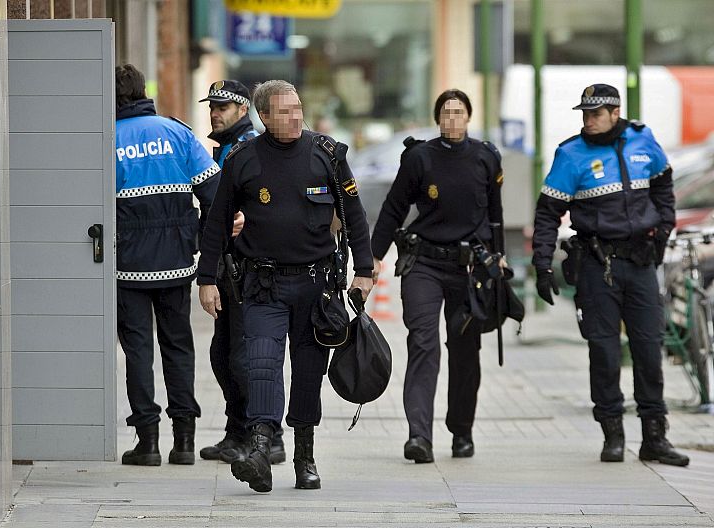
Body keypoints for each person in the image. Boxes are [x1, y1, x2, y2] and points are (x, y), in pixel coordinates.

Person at [198, 80, 374, 492]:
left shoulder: (327, 155)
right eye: (285, 111)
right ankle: (260, 451)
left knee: (308, 374)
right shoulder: (242, 159)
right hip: (262, 285)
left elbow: (354, 215)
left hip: (315, 287)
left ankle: (304, 456)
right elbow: (217, 225)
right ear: (264, 117)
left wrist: (363, 269)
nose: (296, 116)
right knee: (260, 365)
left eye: (298, 108)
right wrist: (207, 279)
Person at [532, 83, 689, 466]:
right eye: (584, 114)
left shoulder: (642, 139)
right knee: (603, 352)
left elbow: (664, 188)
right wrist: (541, 264)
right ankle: (612, 434)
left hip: (640, 265)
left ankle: (654, 437)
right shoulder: (571, 154)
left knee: (649, 350)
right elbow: (547, 213)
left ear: (615, 112)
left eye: (596, 114)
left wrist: (662, 233)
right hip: (596, 265)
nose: (588, 120)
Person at [370, 89, 505, 463]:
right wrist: (373, 259)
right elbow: (393, 210)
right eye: (446, 112)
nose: (453, 119)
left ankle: (462, 431)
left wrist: (500, 259)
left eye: (459, 112)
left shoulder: (486, 157)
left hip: (470, 269)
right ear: (437, 118)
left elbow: (495, 216)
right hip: (424, 265)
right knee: (423, 344)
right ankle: (419, 436)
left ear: (469, 116)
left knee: (465, 351)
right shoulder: (419, 157)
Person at [114, 64, 220, 466]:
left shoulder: (107, 138)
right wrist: (202, 242)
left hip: (128, 265)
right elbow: (214, 193)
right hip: (176, 261)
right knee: (178, 347)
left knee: (138, 351)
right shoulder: (177, 133)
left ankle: (148, 441)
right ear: (144, 92)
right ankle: (185, 441)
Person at [196, 80, 286, 465]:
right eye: (212, 106)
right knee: (224, 354)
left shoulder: (251, 149)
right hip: (226, 268)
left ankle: (269, 437)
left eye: (222, 107)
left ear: (244, 109)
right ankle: (237, 434)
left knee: (243, 357)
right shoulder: (227, 149)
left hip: (248, 270)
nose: (214, 112)